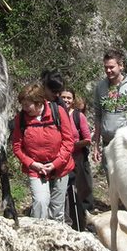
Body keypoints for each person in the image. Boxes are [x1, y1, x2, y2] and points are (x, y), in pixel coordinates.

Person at [11, 83, 75, 220]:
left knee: (57, 210)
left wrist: (55, 164)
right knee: (40, 203)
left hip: (60, 168)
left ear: (39, 103)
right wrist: (32, 164)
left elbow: (68, 141)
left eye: (27, 105)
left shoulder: (58, 112)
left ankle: (57, 238)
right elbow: (17, 147)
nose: (24, 108)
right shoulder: (20, 119)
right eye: (23, 104)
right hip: (36, 169)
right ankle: (38, 235)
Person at [91, 49, 127, 166]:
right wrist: (96, 146)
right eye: (106, 67)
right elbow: (98, 116)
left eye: (111, 67)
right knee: (111, 179)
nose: (108, 70)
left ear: (121, 66)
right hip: (107, 144)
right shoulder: (100, 87)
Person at [62, 88, 95, 215]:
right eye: (63, 97)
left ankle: (86, 215)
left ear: (73, 100)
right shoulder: (56, 114)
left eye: (69, 98)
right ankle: (68, 216)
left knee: (83, 187)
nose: (66, 100)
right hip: (62, 157)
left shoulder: (78, 116)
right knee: (65, 188)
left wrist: (71, 146)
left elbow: (87, 139)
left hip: (78, 156)